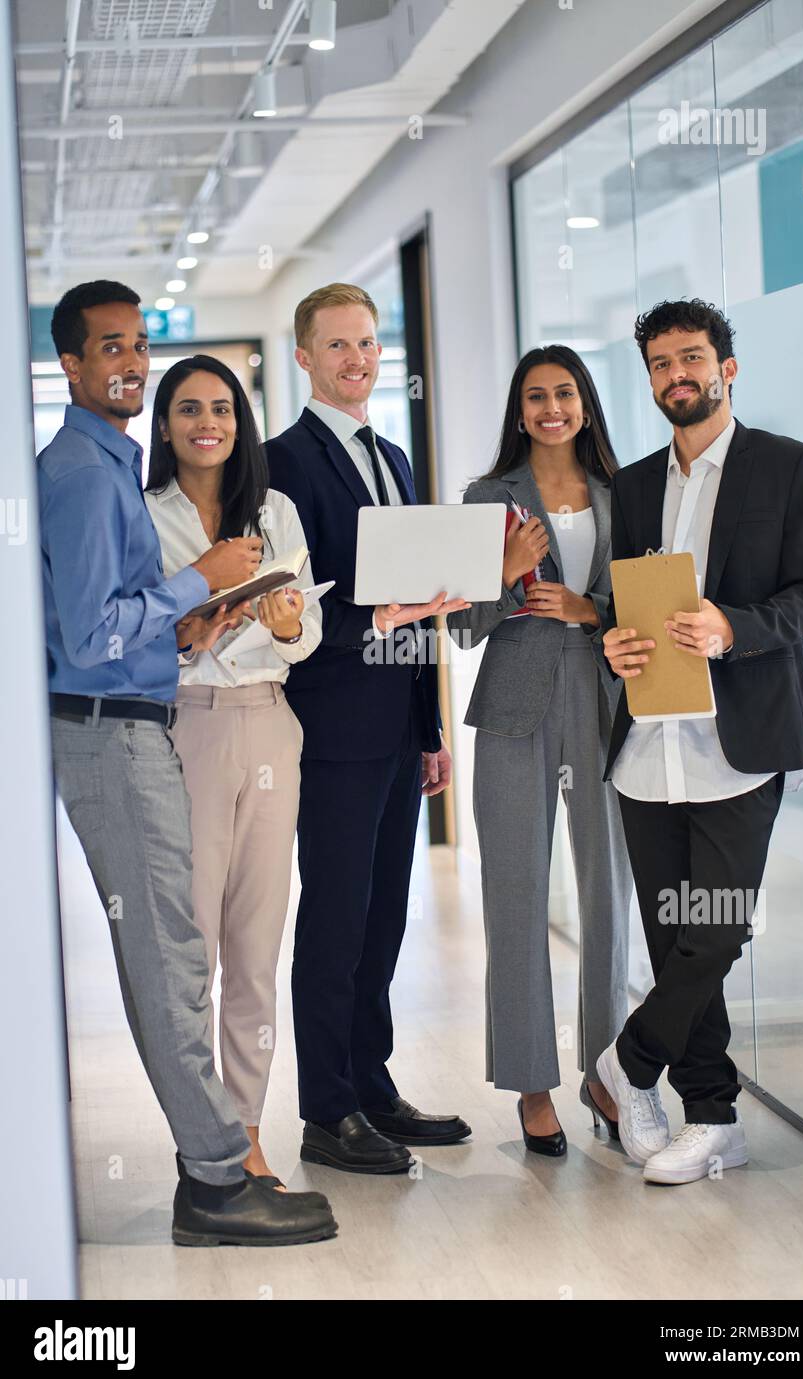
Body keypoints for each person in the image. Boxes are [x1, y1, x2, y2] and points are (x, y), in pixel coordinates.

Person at [39, 280, 335, 1245]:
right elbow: (87, 636)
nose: (127, 361)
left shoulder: (104, 462)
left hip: (144, 715)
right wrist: (194, 586)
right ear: (71, 366)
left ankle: (215, 1170)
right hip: (118, 728)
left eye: (136, 345)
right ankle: (215, 1181)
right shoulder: (88, 475)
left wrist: (186, 619)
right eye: (107, 348)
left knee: (192, 958)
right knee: (173, 964)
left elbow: (118, 630)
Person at [596, 298, 803, 1185]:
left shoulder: (784, 466)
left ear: (726, 367)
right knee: (671, 938)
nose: (676, 375)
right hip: (646, 743)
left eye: (691, 358)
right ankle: (711, 1115)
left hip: (741, 741)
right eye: (660, 364)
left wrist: (734, 628)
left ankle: (625, 1066)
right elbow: (623, 606)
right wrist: (612, 642)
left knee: (718, 928)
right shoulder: (636, 482)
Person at [265, 282, 472, 1173]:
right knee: (336, 919)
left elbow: (422, 607)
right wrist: (376, 619)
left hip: (395, 728)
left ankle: (373, 1087)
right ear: (305, 357)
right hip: (331, 729)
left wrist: (428, 727)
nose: (357, 360)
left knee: (386, 914)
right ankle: (327, 1110)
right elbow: (289, 613)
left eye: (368, 345)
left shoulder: (393, 457)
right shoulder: (282, 464)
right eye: (338, 346)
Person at [446, 346, 632, 1156]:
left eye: (563, 393)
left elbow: (648, 601)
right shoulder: (487, 499)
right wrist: (506, 570)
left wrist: (588, 610)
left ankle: (607, 1074)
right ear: (519, 412)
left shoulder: (630, 493)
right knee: (515, 894)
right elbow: (457, 627)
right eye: (535, 396)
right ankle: (531, 1084)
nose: (550, 407)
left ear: (584, 404)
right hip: (515, 706)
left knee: (607, 896)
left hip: (603, 697)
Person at [146, 353, 322, 1186]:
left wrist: (281, 624)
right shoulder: (146, 515)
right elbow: (157, 641)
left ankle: (248, 1131)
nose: (207, 422)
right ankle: (203, 1138)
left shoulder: (276, 510)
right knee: (193, 950)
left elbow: (307, 631)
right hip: (188, 732)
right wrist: (206, 625)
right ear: (167, 425)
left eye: (221, 408)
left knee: (257, 946)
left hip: (270, 727)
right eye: (188, 409)